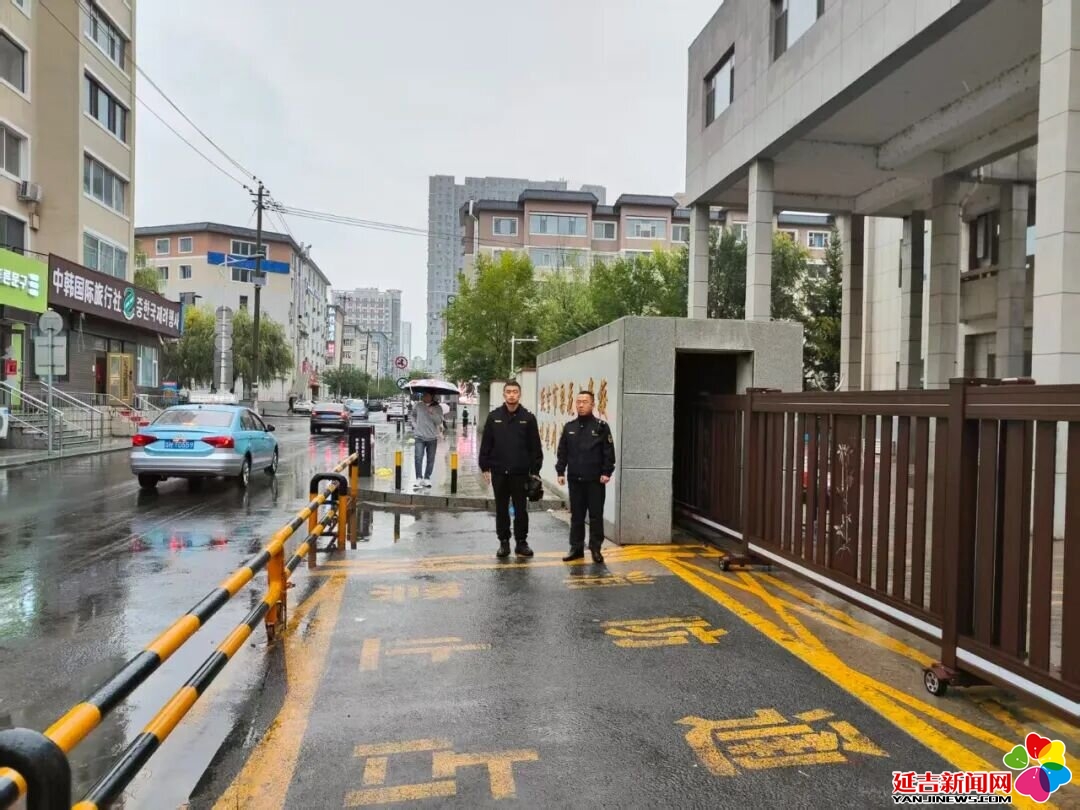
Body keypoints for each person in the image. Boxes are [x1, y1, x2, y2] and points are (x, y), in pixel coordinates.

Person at [479, 380, 543, 559]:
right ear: (504, 394)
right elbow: (486, 444)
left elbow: (535, 447)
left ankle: (521, 542)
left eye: (515, 392)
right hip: (499, 472)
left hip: (520, 473)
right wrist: (485, 466)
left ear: (519, 394)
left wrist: (535, 471)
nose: (512, 395)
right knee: (501, 509)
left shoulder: (528, 418)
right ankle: (504, 542)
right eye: (508, 392)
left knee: (521, 510)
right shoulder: (494, 417)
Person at [556, 390, 616, 564]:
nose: (581, 405)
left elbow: (608, 452)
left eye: (585, 402)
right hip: (575, 480)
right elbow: (562, 451)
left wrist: (606, 472)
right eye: (578, 402)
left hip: (595, 481)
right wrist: (560, 471)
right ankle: (576, 548)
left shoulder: (601, 427)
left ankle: (596, 549)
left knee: (596, 516)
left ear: (592, 404)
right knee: (577, 516)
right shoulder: (570, 427)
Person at [410, 392, 445, 488]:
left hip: (432, 437)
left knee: (430, 459)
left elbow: (439, 421)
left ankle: (427, 478)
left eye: (426, 395)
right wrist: (415, 425)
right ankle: (418, 478)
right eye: (423, 395)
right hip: (419, 436)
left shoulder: (438, 407)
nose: (424, 397)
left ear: (431, 396)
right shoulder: (418, 405)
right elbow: (413, 415)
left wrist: (432, 413)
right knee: (418, 457)